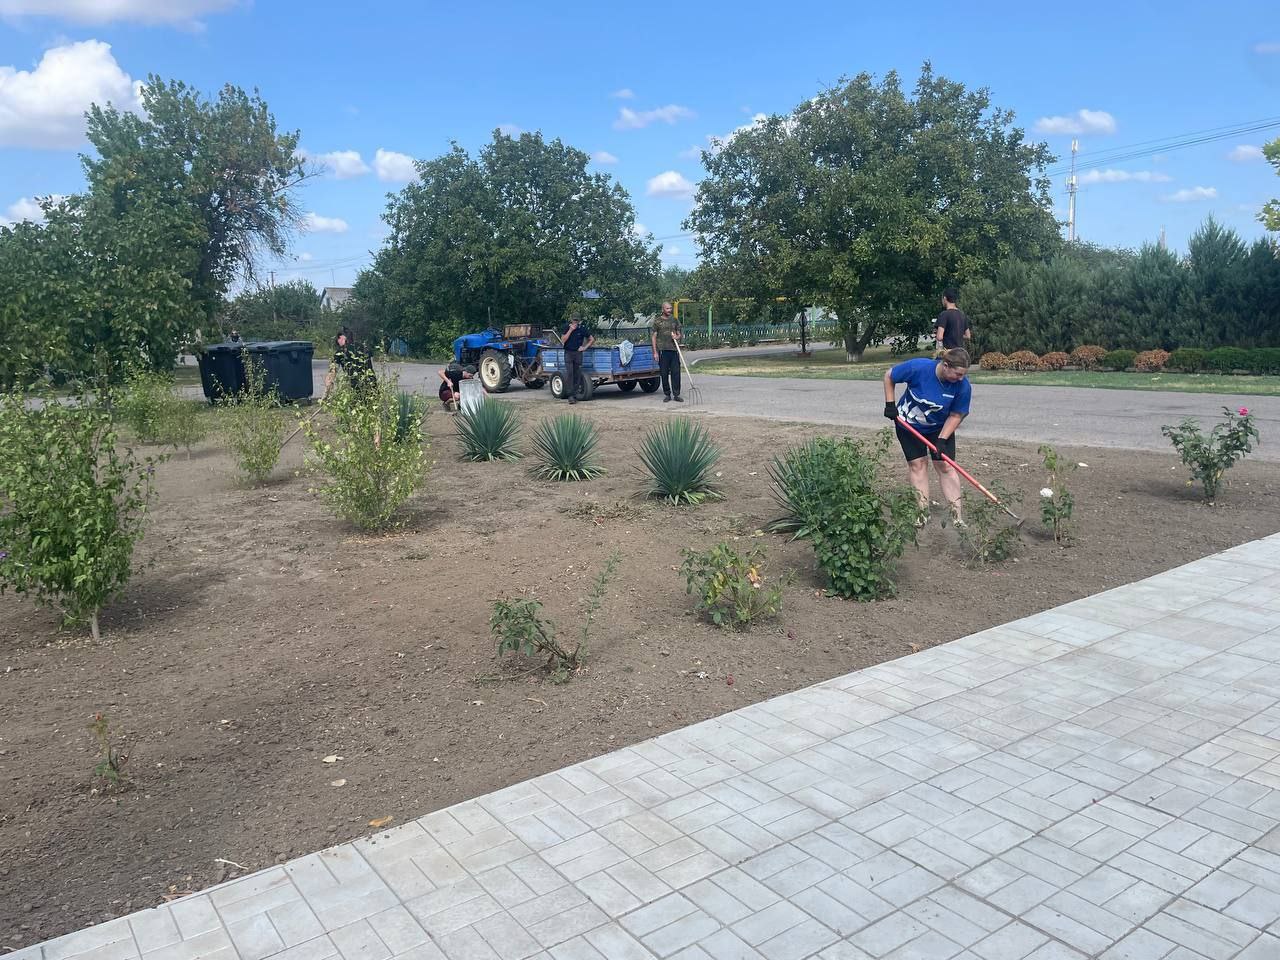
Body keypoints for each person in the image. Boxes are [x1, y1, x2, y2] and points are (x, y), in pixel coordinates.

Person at [883, 347, 973, 527]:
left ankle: (957, 518)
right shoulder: (919, 368)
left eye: (963, 374)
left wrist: (941, 440)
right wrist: (890, 404)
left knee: (945, 466)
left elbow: (956, 415)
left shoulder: (963, 387)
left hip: (939, 429)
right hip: (908, 426)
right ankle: (922, 513)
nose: (961, 378)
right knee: (918, 465)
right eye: (958, 374)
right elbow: (889, 376)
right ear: (945, 365)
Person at [651, 301, 683, 402]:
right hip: (663, 351)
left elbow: (679, 334)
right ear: (663, 309)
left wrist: (676, 336)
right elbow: (654, 337)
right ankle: (667, 394)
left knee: (676, 373)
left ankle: (676, 394)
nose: (670, 310)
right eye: (667, 308)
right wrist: (655, 352)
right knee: (664, 374)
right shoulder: (657, 321)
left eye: (670, 308)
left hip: (673, 351)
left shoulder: (674, 320)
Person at [561, 314, 594, 403]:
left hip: (578, 353)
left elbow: (591, 339)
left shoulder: (582, 329)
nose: (575, 322)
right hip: (568, 353)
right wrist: (570, 330)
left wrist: (584, 347)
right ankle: (570, 395)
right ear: (571, 320)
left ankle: (575, 394)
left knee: (577, 374)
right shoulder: (566, 327)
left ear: (579, 321)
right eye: (574, 320)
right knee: (570, 373)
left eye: (577, 320)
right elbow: (563, 340)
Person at [935, 288, 971, 352]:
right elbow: (968, 336)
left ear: (945, 298)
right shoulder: (962, 314)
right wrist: (956, 334)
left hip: (949, 353)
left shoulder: (944, 314)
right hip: (960, 352)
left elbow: (939, 337)